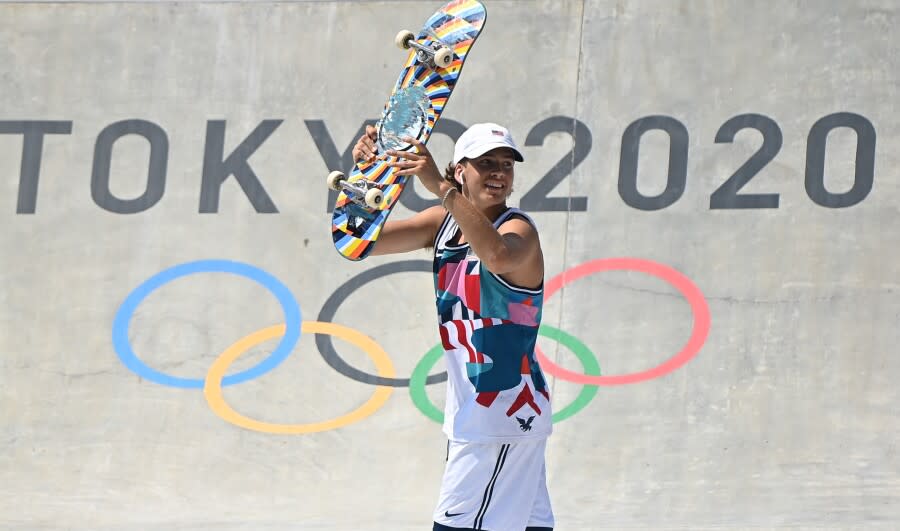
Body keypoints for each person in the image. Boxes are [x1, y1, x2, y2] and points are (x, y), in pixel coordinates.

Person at [352, 122, 554, 531]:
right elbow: (360, 242)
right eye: (485, 163)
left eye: (506, 164)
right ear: (460, 170)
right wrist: (367, 178)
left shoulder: (518, 229)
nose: (499, 172)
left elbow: (497, 256)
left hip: (499, 416)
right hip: (488, 414)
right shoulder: (441, 224)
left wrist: (443, 192)